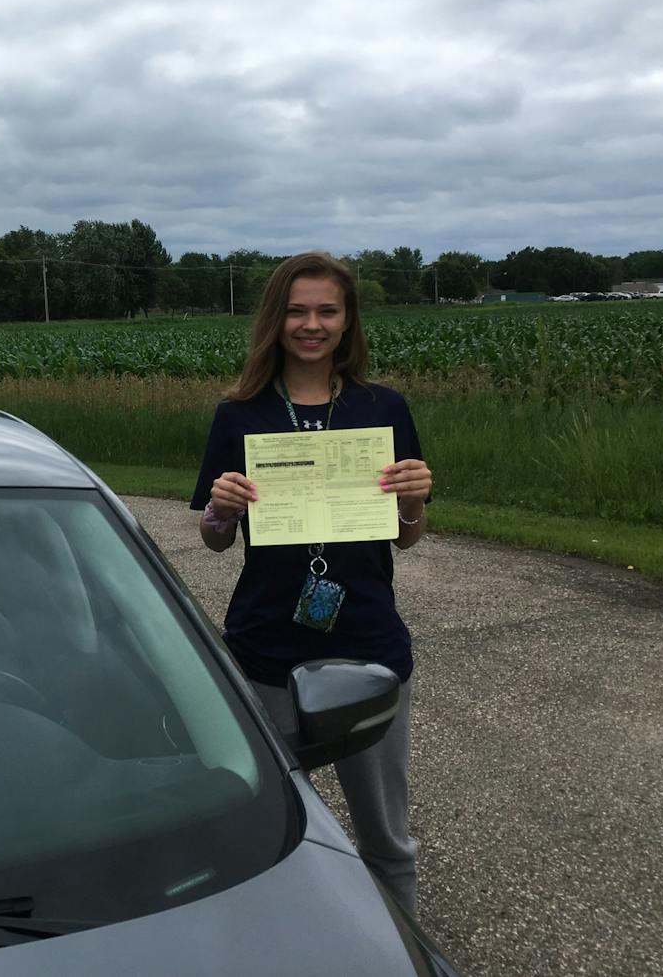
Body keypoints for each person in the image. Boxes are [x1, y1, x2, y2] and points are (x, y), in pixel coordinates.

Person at [191, 250, 432, 914]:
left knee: (385, 837)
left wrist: (412, 503)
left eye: (327, 310)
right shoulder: (239, 414)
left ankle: (398, 949)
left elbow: (405, 536)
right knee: (272, 825)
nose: (312, 324)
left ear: (347, 320)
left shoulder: (382, 408)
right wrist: (221, 509)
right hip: (267, 645)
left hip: (369, 644)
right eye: (297, 310)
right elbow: (214, 539)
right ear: (276, 319)